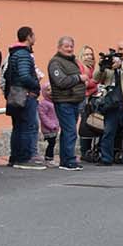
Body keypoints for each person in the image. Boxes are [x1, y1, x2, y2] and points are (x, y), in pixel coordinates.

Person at [1, 26, 43, 169]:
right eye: (34, 35)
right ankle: (25, 158)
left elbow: (8, 75)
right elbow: (25, 76)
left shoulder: (14, 53)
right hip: (25, 95)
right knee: (27, 126)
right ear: (29, 37)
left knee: (17, 127)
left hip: (15, 94)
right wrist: (35, 84)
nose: (35, 38)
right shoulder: (24, 55)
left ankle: (15, 157)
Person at [47, 36, 87, 170]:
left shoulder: (72, 61)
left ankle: (65, 160)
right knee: (70, 131)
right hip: (64, 101)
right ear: (59, 47)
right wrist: (78, 78)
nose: (70, 49)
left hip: (75, 101)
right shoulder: (55, 63)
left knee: (68, 131)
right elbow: (61, 81)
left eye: (71, 46)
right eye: (66, 46)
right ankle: (69, 160)